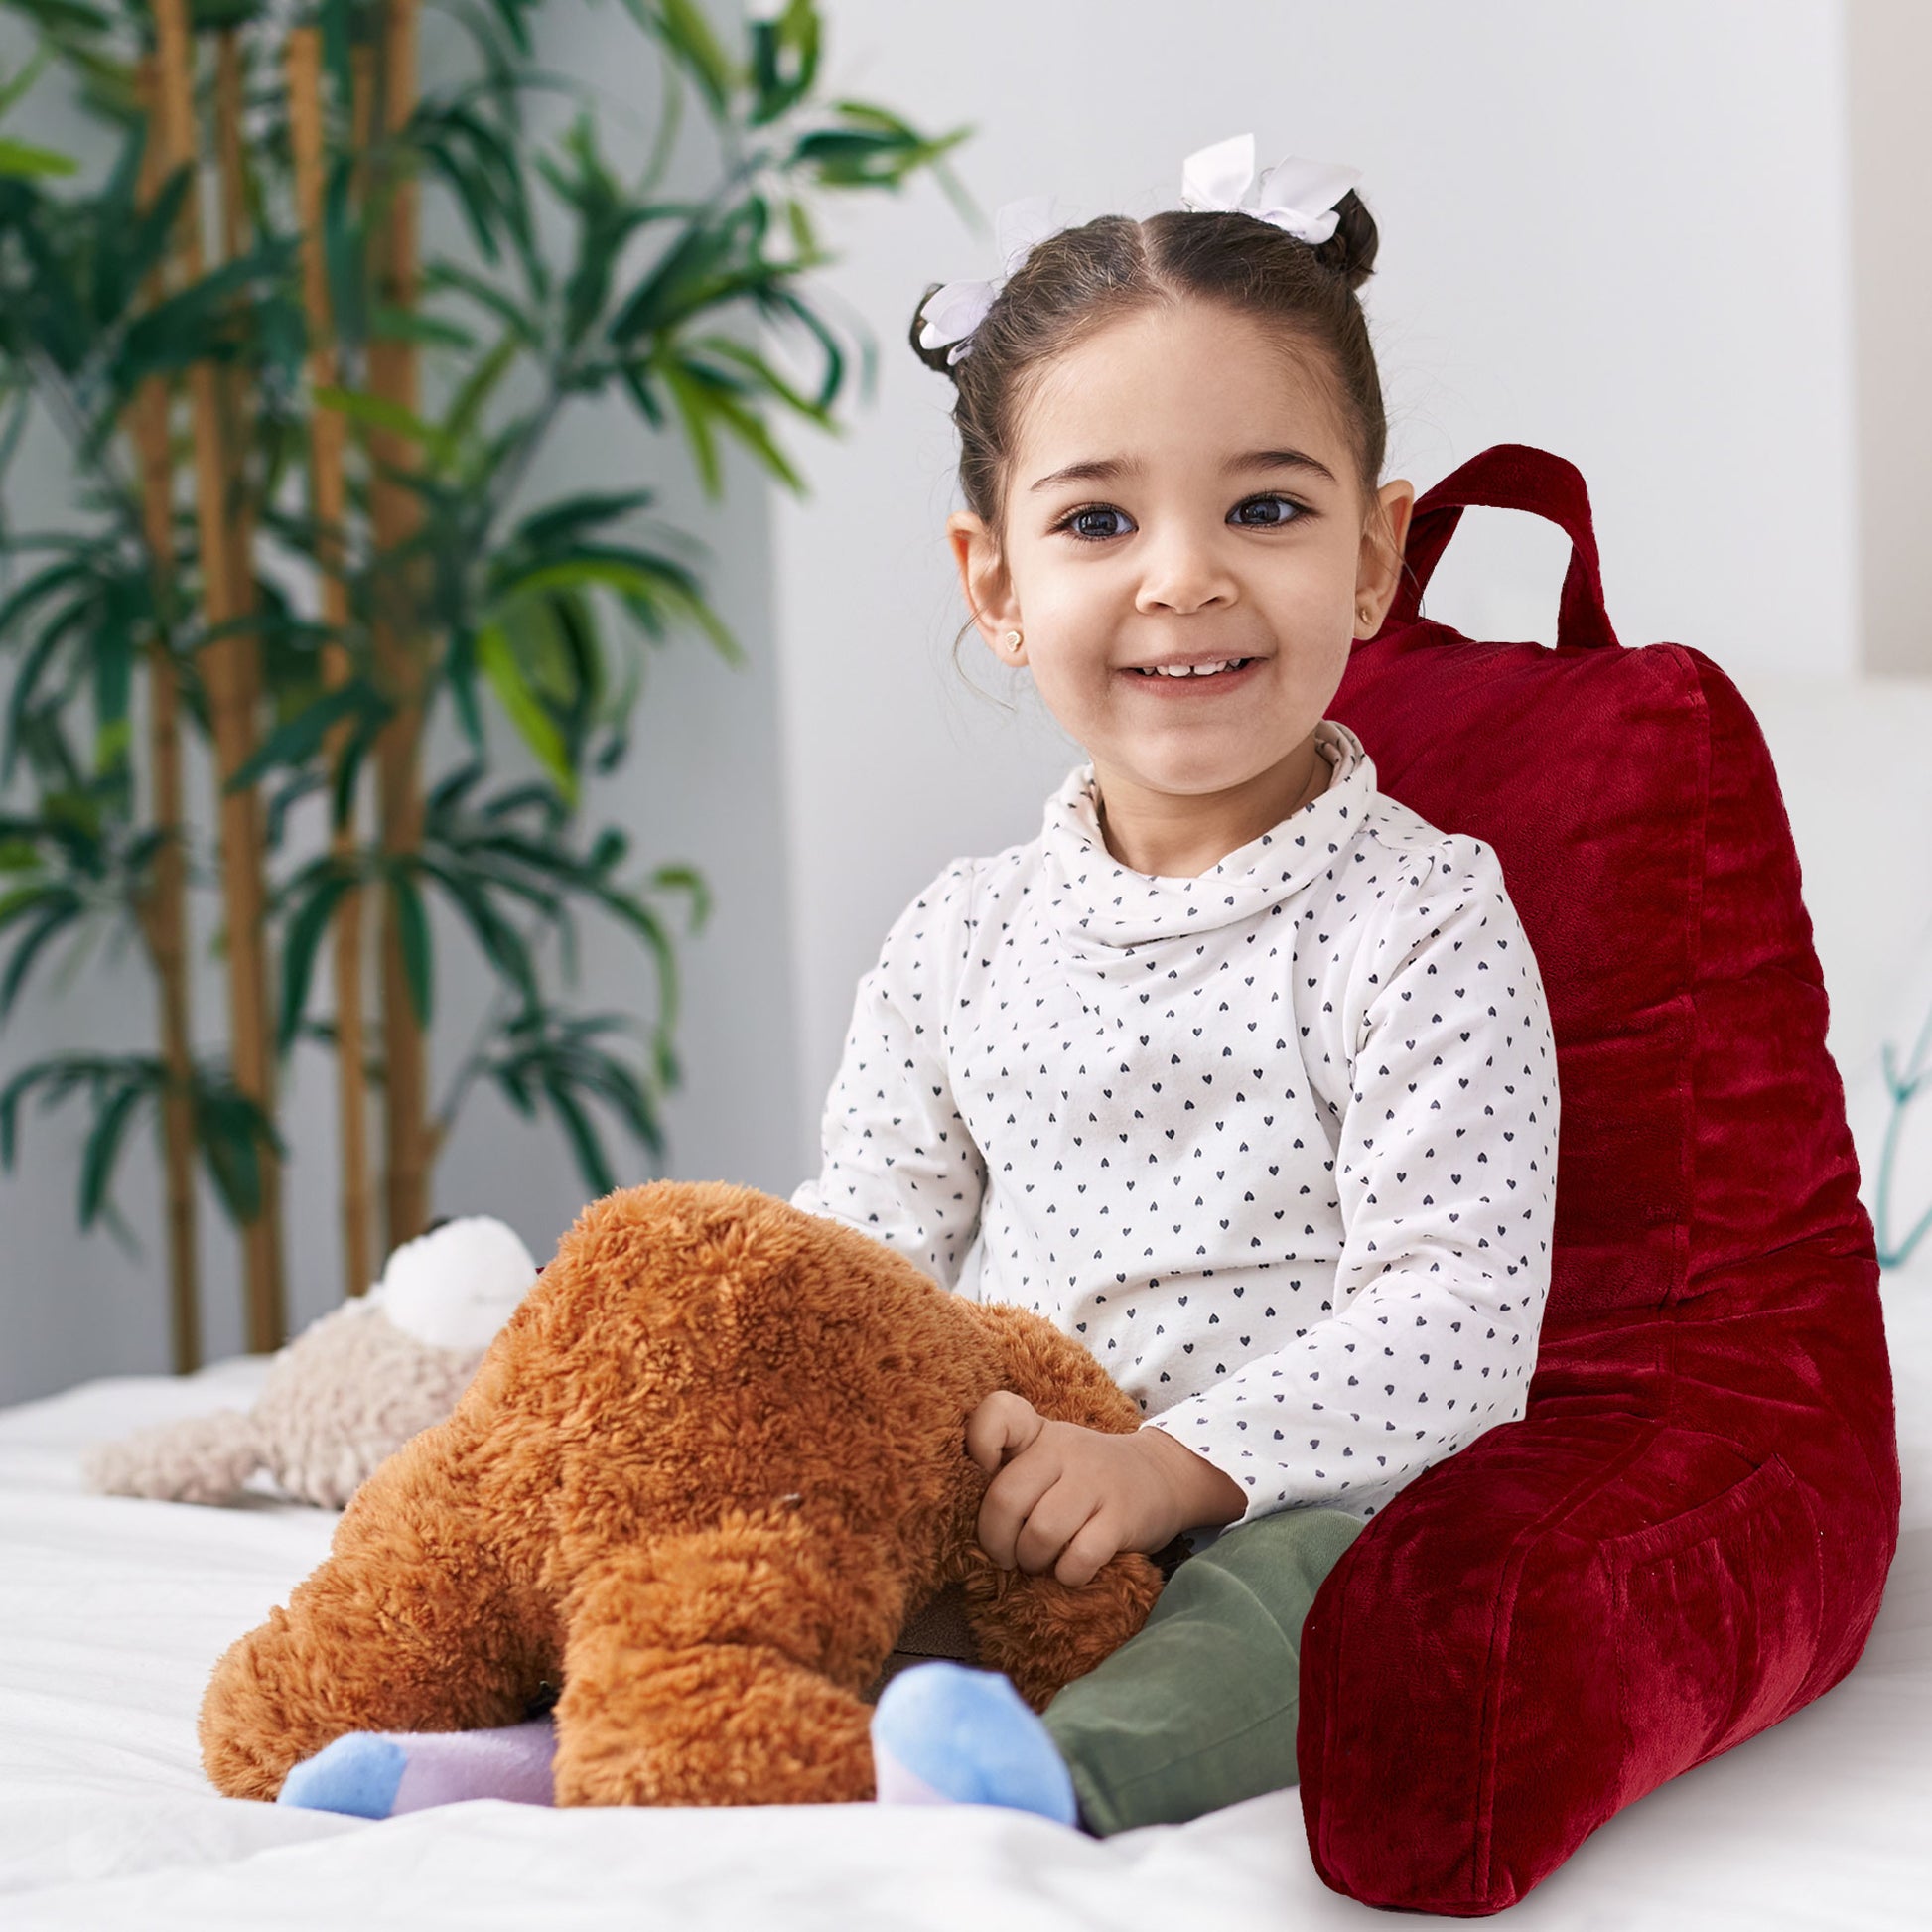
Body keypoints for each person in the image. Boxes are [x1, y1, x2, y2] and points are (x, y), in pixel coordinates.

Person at [276, 132, 1559, 1834]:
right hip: (992, 1479)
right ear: (996, 584)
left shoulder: (1418, 919)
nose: (1183, 573)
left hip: (1275, 1491)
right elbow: (864, 1247)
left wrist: (1163, 1469)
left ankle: (1048, 1776)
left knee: (1315, 1615)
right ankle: (554, 1744)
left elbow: (1452, 1314)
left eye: (1266, 506)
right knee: (756, 1504)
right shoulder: (964, 937)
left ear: (1375, 555)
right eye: (1096, 519)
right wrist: (796, 1410)